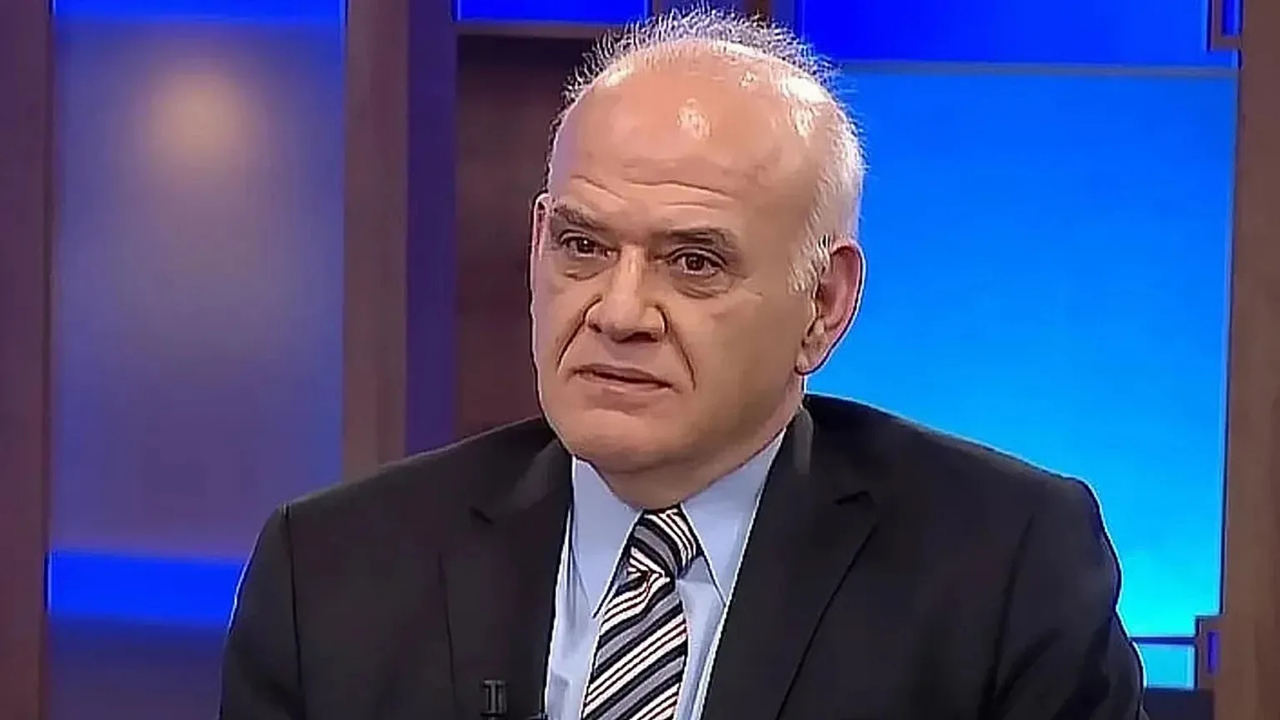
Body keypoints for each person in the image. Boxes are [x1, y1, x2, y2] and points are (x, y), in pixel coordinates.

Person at [219, 8, 1147, 720]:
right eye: (583, 246)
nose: (619, 313)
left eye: (694, 262)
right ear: (537, 244)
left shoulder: (1004, 568)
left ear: (823, 304)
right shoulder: (330, 571)